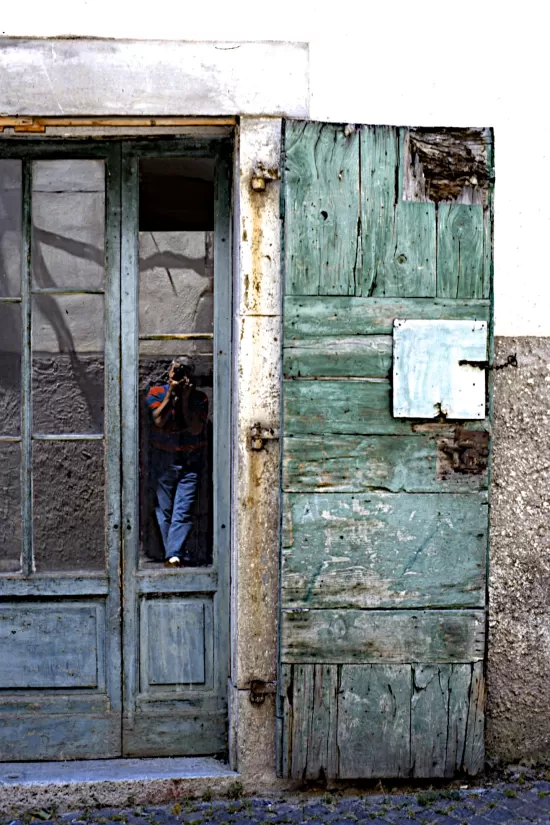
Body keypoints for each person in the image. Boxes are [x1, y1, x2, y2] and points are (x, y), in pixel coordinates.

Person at [145, 357, 208, 568]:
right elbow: (159, 421)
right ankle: (173, 554)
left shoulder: (199, 398)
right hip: (163, 461)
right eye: (177, 370)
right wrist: (171, 393)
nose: (180, 375)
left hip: (189, 462)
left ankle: (173, 555)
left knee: (183, 509)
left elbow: (194, 428)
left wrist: (185, 398)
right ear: (169, 372)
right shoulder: (156, 392)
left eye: (185, 371)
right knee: (163, 510)